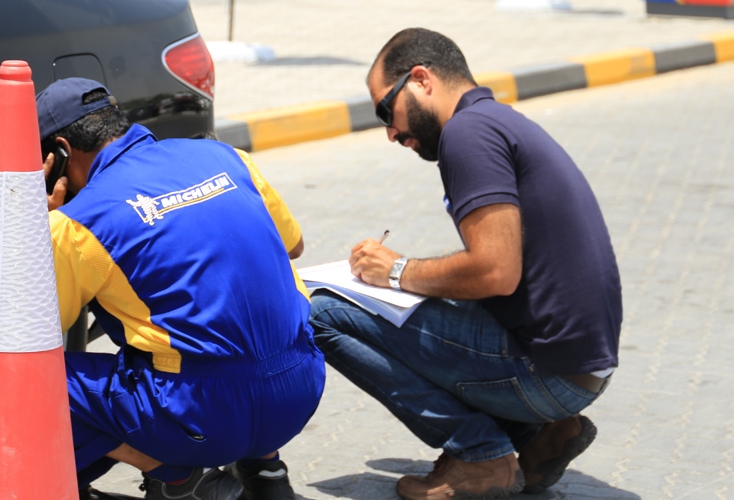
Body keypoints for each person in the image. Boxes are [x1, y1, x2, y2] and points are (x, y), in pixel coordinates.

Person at [308, 28, 622, 500]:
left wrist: (394, 272)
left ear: (420, 79)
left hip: (550, 375)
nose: (391, 133)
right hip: (580, 366)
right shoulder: (495, 120)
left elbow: (495, 272)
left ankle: (479, 456)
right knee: (400, 303)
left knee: (320, 313)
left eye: (384, 111)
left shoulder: (466, 134)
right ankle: (540, 436)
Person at [36, 78, 324, 500]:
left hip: (201, 420)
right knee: (244, 314)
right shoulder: (227, 157)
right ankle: (266, 474)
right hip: (300, 391)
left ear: (60, 152)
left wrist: (37, 233)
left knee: (26, 380)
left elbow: (25, 336)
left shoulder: (77, 222)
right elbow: (293, 245)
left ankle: (173, 475)